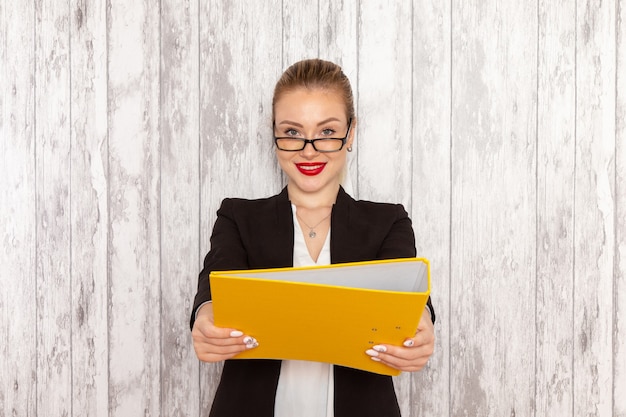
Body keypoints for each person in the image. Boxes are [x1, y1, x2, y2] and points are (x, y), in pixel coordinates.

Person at [190, 58, 435, 417]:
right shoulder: (238, 217)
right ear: (274, 135)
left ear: (350, 134)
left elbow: (408, 293)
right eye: (291, 132)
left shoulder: (388, 221)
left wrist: (421, 326)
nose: (308, 149)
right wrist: (206, 318)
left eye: (326, 132)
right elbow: (214, 287)